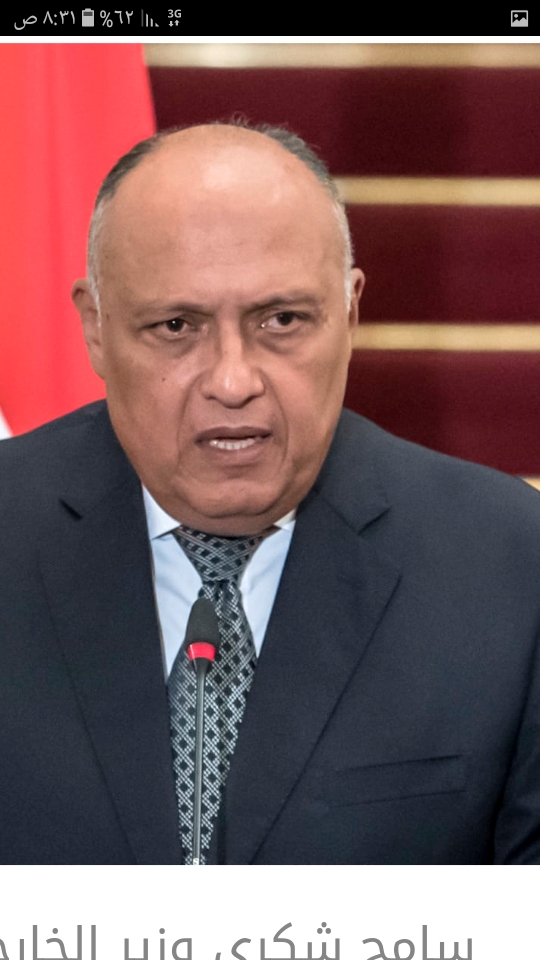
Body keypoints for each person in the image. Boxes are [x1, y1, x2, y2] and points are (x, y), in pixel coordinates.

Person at [2, 122, 540, 865]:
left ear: (349, 312)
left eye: (281, 320)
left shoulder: (513, 566)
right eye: (176, 326)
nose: (233, 381)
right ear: (96, 327)